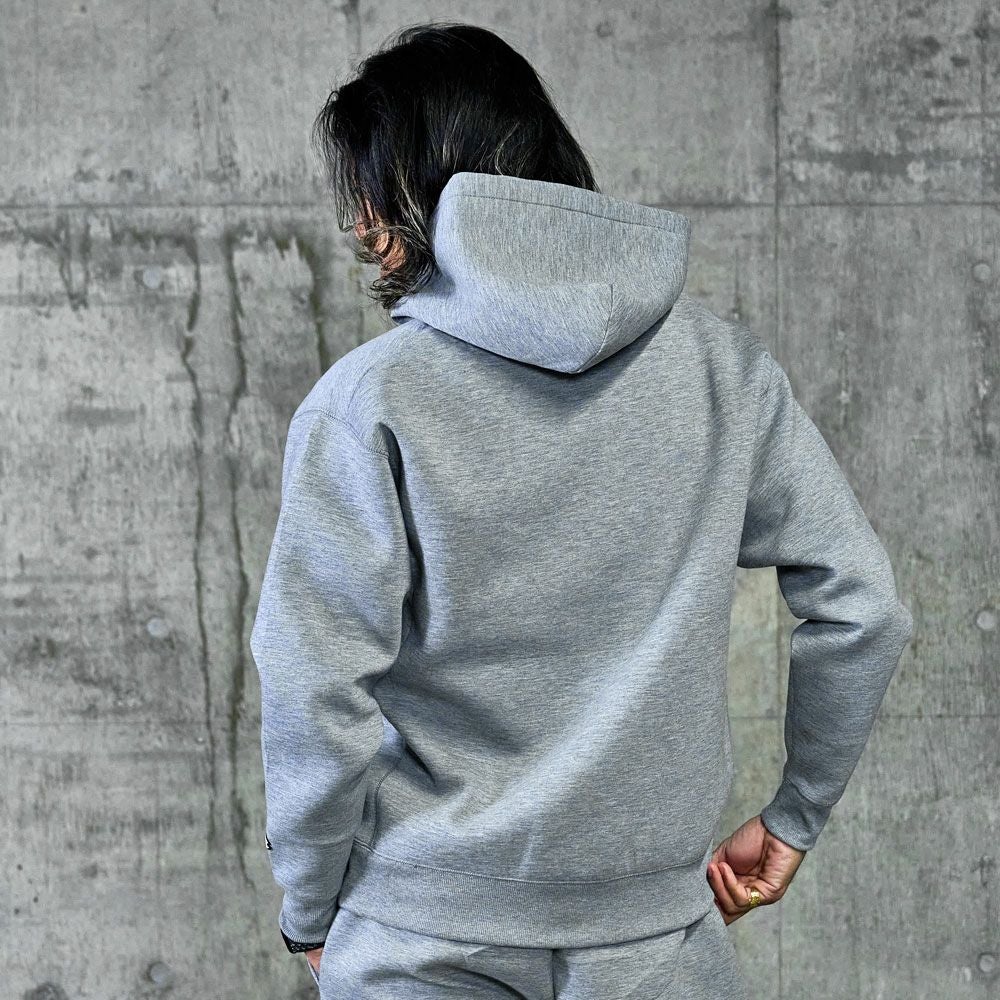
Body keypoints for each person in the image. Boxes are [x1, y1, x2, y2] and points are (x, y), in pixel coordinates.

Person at [249, 20, 914, 1000]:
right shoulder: (724, 373)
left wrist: (310, 907)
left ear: (419, 191)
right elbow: (863, 604)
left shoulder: (371, 401)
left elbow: (313, 685)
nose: (359, 228)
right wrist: (793, 817)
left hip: (422, 941)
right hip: (657, 945)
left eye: (369, 196)